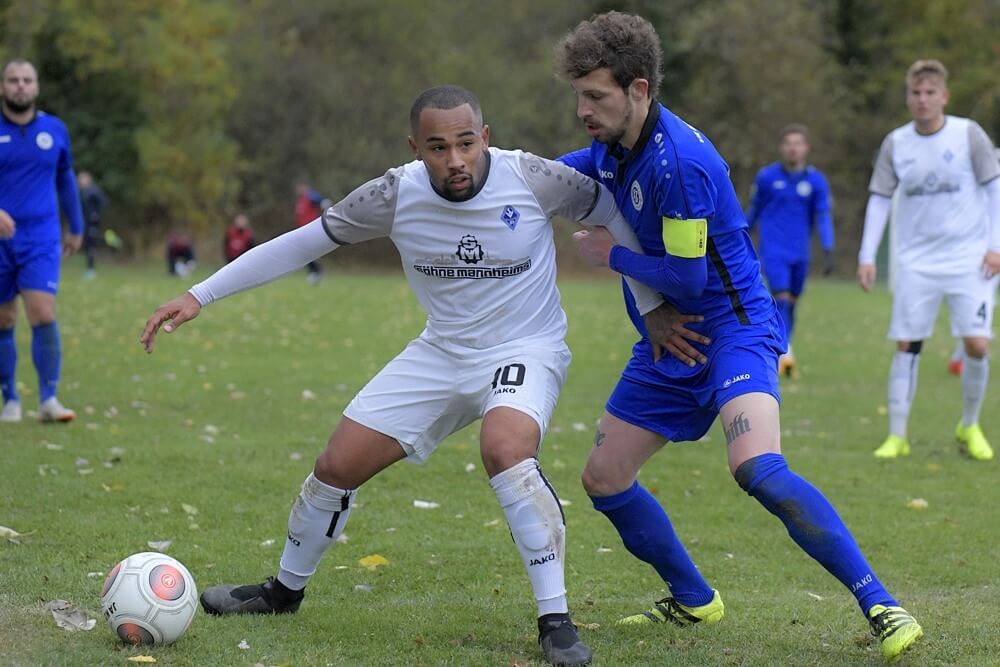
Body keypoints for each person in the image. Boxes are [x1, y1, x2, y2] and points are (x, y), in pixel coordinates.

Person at [140, 85, 683, 667]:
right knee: (335, 467)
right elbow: (300, 245)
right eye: (438, 147)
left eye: (466, 143)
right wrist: (200, 294)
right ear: (415, 148)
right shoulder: (392, 194)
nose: (455, 160)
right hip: (441, 351)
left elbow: (613, 211)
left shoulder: (533, 177)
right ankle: (282, 593)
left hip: (526, 347)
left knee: (505, 450)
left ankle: (556, 621)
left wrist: (652, 303)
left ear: (485, 138)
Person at [553, 12, 922, 662]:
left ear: (639, 90)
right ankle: (694, 597)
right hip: (671, 336)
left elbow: (689, 278)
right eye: (579, 95)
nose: (583, 110)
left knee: (757, 467)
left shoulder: (682, 163)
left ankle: (883, 604)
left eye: (596, 96)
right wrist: (487, 171)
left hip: (735, 328)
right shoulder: (612, 146)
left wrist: (612, 257)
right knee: (604, 478)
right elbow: (556, 175)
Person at [857, 59, 998, 462]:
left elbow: (995, 189)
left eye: (930, 93)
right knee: (907, 344)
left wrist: (995, 246)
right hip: (916, 261)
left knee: (976, 344)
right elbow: (880, 199)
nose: (922, 100)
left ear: (944, 96)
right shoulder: (896, 143)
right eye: (916, 93)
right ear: (908, 98)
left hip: (970, 259)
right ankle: (897, 436)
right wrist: (867, 255)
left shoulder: (968, 134)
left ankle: (969, 424)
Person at [0, 59, 82, 424]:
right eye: (13, 80)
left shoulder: (55, 129)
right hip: (1, 241)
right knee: (4, 318)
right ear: (2, 87)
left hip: (41, 237)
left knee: (43, 312)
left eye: (27, 80)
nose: (20, 85)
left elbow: (65, 178)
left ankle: (49, 399)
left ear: (36, 87)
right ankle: (10, 398)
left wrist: (76, 226)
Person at [745, 124, 834, 377]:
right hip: (773, 250)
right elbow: (753, 211)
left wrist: (828, 248)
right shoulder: (766, 178)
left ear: (807, 148)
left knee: (791, 302)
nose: (793, 148)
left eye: (798, 143)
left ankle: (785, 346)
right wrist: (739, 237)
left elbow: (823, 216)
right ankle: (785, 353)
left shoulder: (816, 181)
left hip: (800, 253)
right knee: (781, 298)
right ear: (781, 148)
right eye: (788, 143)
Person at [77, 170, 107, 279]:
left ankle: (91, 270)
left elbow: (104, 202)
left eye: (82, 178)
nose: (79, 181)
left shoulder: (93, 191)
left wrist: (95, 215)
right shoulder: (84, 193)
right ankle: (89, 269)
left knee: (91, 246)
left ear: (88, 179)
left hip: (93, 225)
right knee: (87, 246)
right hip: (86, 224)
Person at [294, 182, 325, 284]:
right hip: (302, 230)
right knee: (305, 252)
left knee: (310, 251)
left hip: (311, 229)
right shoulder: (300, 200)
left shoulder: (310, 196)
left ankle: (316, 272)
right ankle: (314, 272)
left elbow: (322, 201)